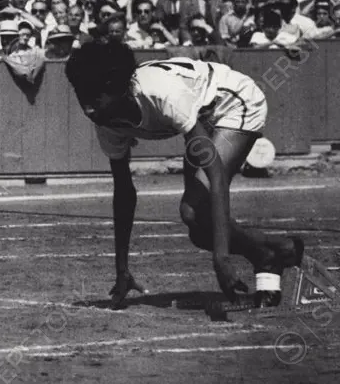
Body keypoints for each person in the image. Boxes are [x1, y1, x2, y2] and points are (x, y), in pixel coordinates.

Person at [65, 41, 305, 309]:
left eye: (95, 98)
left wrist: (222, 257)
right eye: (81, 98)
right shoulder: (106, 122)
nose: (88, 109)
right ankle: (274, 251)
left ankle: (271, 253)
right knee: (200, 232)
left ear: (119, 89)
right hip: (202, 115)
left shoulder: (163, 95)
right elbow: (124, 193)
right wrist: (122, 269)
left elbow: (216, 176)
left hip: (234, 103)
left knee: (197, 213)